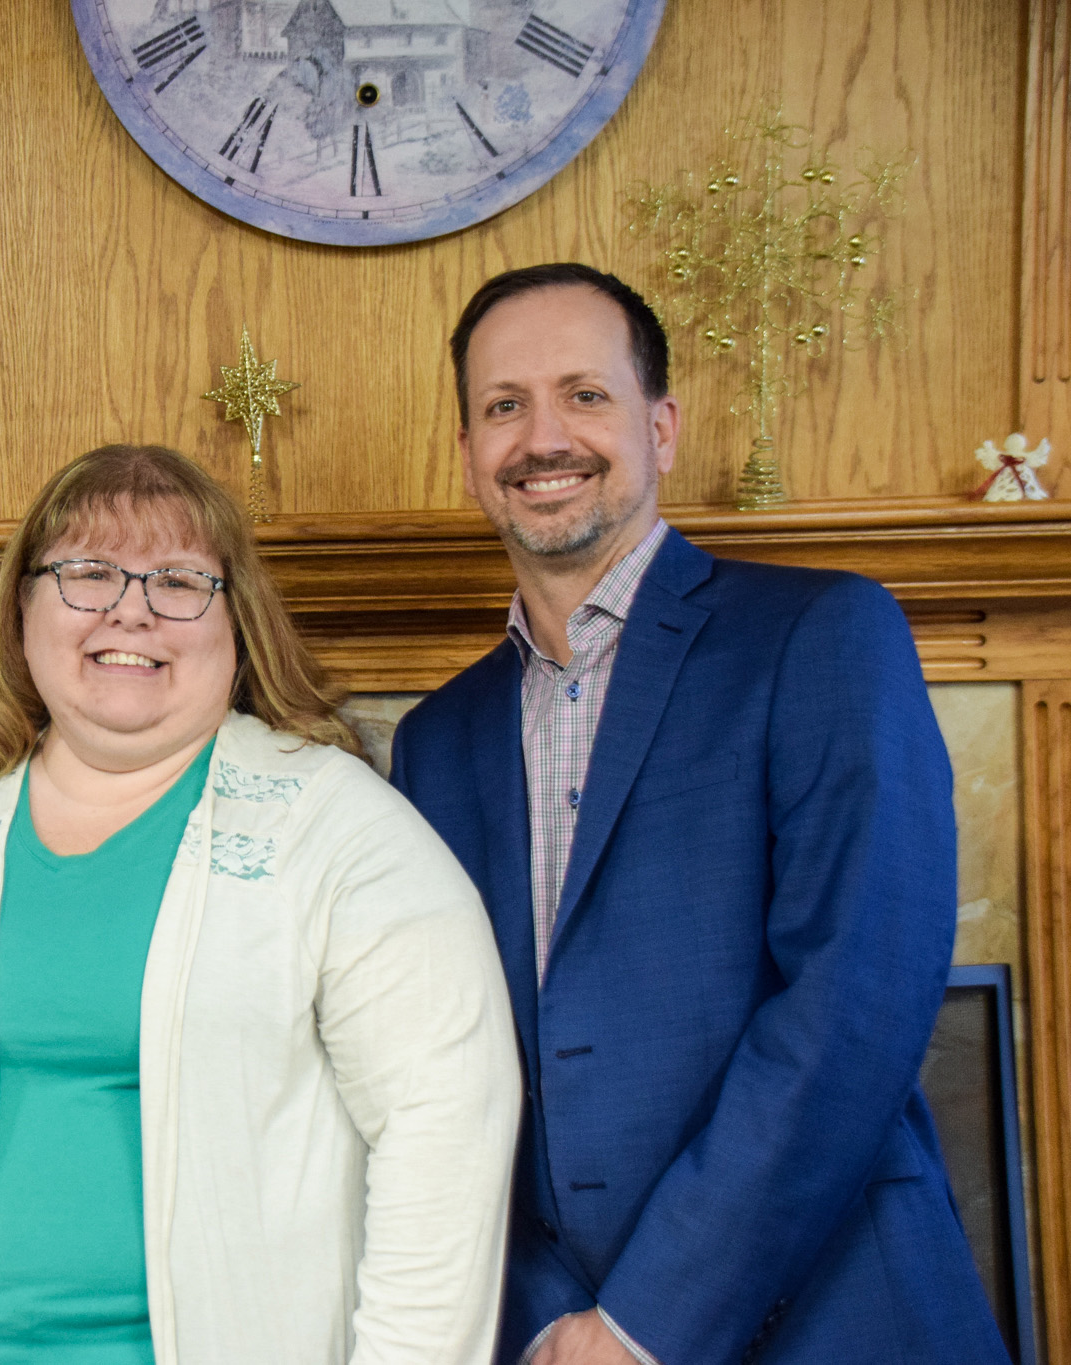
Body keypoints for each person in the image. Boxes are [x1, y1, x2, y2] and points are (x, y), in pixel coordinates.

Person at [389, 262, 1011, 1365]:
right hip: (549, 1330)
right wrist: (546, 1321)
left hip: (831, 1310)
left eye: (583, 394)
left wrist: (643, 1324)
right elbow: (451, 1060)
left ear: (660, 427)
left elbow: (853, 1003)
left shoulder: (819, 634)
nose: (543, 438)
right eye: (502, 405)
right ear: (468, 457)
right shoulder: (436, 743)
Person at [0, 444, 519, 1365]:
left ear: (237, 623)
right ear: (22, 606)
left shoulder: (345, 834)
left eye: (180, 580)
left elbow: (443, 1143)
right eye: (87, 572)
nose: (129, 608)